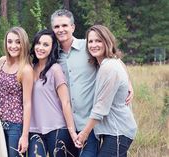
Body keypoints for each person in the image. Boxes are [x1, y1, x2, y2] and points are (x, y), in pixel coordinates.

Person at [50, 9, 134, 157]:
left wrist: (128, 83)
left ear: (73, 27)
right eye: (57, 27)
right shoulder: (53, 55)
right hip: (65, 125)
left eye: (64, 25)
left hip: (89, 125)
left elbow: (114, 60)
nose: (61, 29)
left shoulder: (88, 47)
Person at [76, 25, 137, 157]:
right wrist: (129, 84)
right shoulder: (108, 63)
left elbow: (101, 108)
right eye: (90, 41)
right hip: (115, 131)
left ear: (107, 42)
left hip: (118, 131)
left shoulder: (108, 67)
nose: (93, 45)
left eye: (98, 41)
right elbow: (120, 62)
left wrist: (85, 133)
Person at [28, 29, 78, 157]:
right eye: (38, 43)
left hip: (57, 128)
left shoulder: (55, 69)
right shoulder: (29, 69)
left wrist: (72, 132)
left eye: (46, 45)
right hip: (34, 129)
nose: (40, 48)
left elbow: (65, 102)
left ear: (52, 48)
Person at [0, 27, 33, 157]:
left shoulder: (26, 69)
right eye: (9, 41)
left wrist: (24, 135)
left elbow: (27, 103)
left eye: (18, 42)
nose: (13, 46)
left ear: (24, 44)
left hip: (15, 126)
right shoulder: (2, 61)